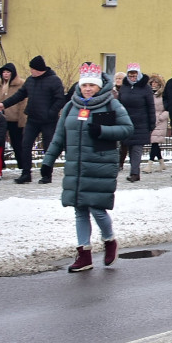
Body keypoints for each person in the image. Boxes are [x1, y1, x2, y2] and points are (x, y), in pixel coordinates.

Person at [41, 63, 134, 272]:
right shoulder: (71, 107)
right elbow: (59, 136)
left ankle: (109, 240)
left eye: (92, 85)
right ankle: (84, 254)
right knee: (79, 209)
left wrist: (102, 130)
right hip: (76, 166)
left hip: (100, 164)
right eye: (85, 86)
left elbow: (127, 129)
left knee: (97, 209)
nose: (88, 89)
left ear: (99, 86)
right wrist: (48, 161)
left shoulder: (112, 105)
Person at [0, 55, 67, 184]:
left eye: (32, 69)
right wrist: (3, 104)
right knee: (25, 145)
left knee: (48, 148)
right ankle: (26, 173)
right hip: (32, 119)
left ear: (39, 69)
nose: (30, 71)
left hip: (48, 121)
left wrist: (51, 113)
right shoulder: (30, 80)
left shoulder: (54, 80)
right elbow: (19, 95)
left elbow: (60, 99)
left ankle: (46, 175)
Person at [116, 63, 155, 182]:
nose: (132, 78)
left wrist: (152, 123)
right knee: (127, 147)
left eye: (135, 75)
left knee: (137, 149)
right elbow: (119, 104)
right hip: (126, 122)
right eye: (130, 75)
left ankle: (135, 173)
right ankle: (130, 169)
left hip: (141, 123)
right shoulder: (124, 87)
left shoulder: (146, 88)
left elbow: (151, 106)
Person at [0, 62, 27, 168]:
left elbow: (23, 102)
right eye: (4, 72)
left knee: (17, 144)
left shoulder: (21, 84)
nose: (6, 74)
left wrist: (22, 119)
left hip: (15, 119)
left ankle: (22, 166)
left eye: (8, 72)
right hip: (0, 118)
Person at [143, 73, 168, 173]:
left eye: (156, 82)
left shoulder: (164, 95)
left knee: (154, 143)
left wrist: (160, 117)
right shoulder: (148, 94)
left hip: (160, 122)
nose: (154, 84)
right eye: (152, 82)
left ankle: (149, 164)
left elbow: (168, 109)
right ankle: (162, 163)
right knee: (154, 143)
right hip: (150, 121)